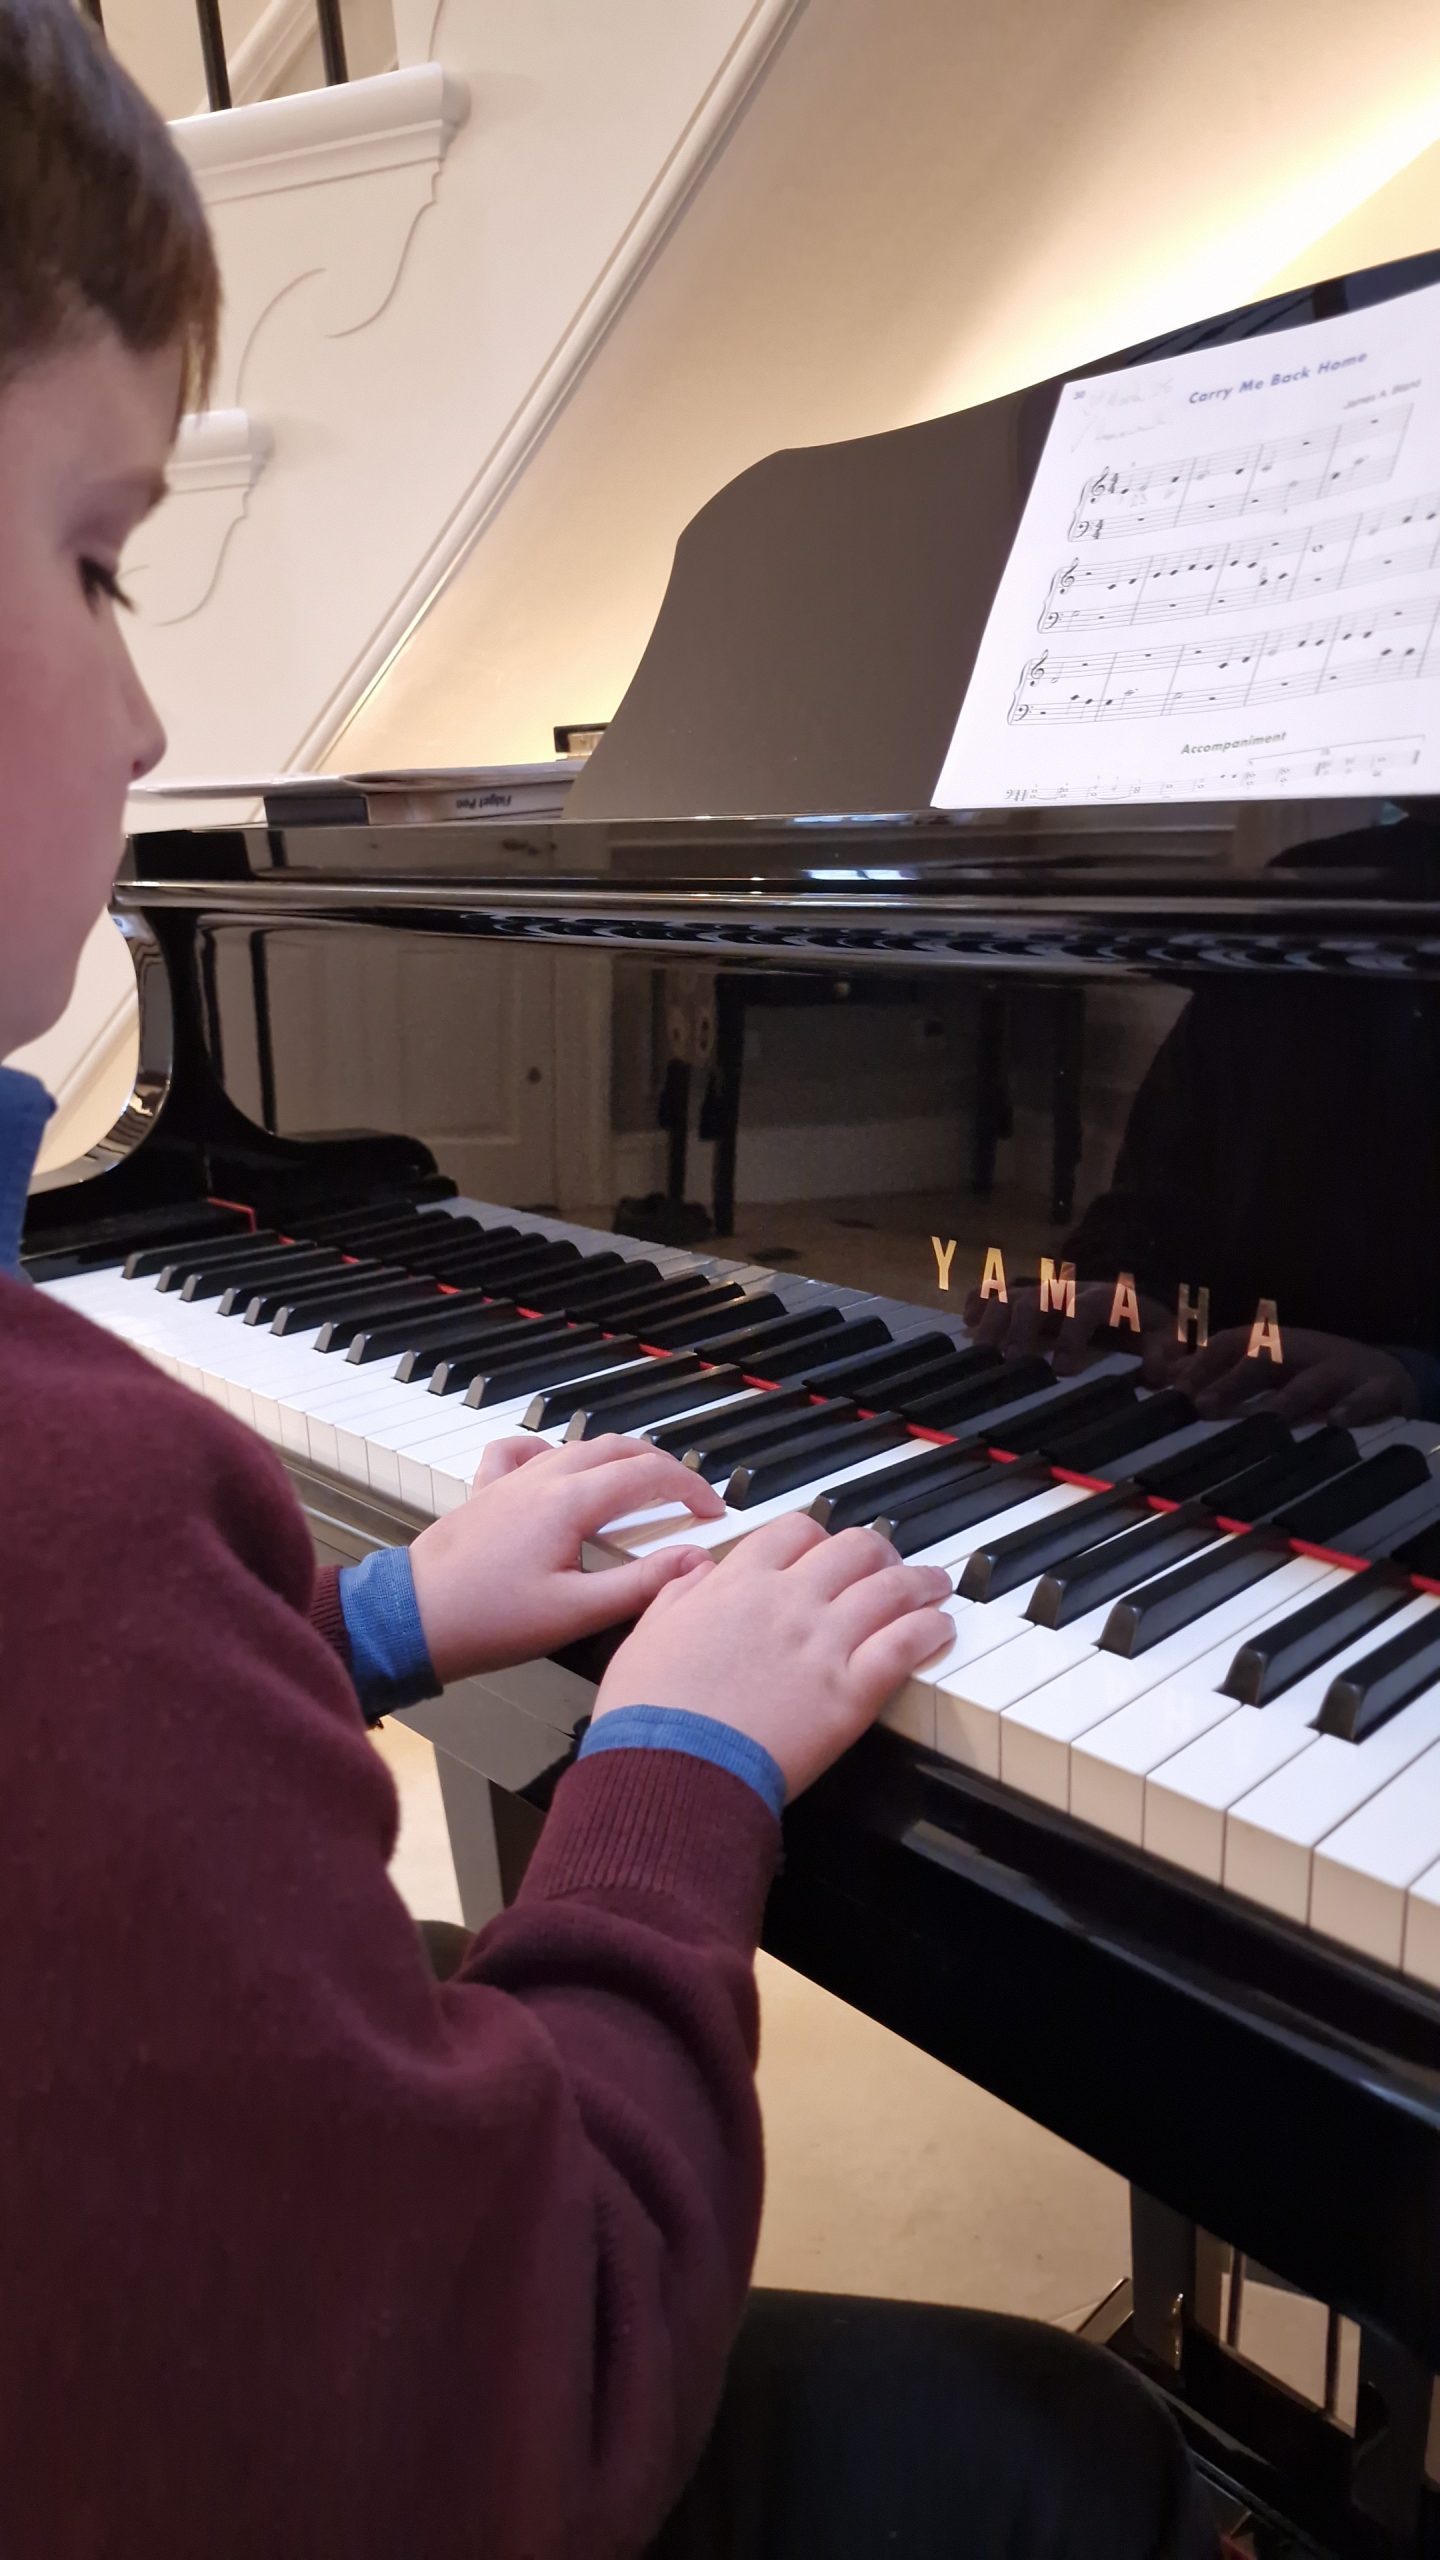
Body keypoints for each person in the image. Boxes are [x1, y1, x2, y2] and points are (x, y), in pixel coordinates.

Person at [0, 8, 1221, 2554]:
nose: (144, 709)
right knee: (1042, 2466)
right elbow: (520, 2389)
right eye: (96, 560)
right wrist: (662, 1777)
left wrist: (341, 1625)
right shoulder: (67, 1510)